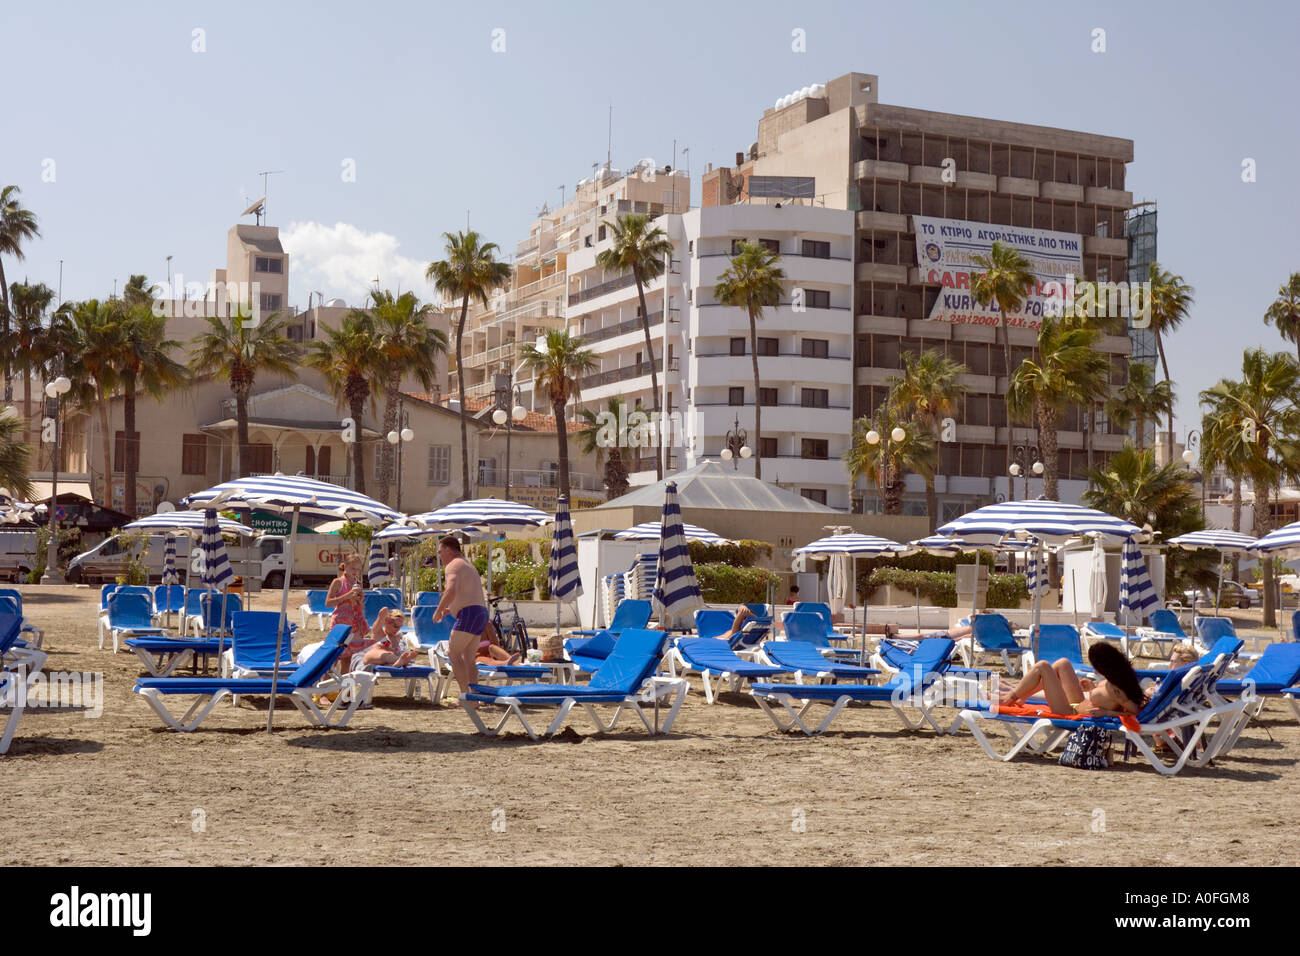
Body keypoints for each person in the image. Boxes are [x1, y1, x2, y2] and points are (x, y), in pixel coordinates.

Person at [998, 642, 1145, 717]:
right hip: (1077, 702)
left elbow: (1135, 713)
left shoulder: (1117, 689)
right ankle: (1022, 696)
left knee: (1042, 666)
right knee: (1063, 663)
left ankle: (1011, 697)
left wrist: (1107, 714)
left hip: (1069, 711)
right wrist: (1092, 689)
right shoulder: (1113, 679)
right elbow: (1106, 700)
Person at [432, 535, 490, 705]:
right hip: (480, 613)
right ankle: (474, 697)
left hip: (470, 614)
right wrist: (452, 608)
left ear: (448, 550)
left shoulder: (453, 565)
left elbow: (451, 590)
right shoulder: (467, 564)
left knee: (453, 653)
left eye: (440, 552)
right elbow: (467, 593)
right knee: (468, 658)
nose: (439, 556)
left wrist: (439, 609)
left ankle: (465, 696)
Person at [325, 555, 368, 670]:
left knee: (347, 660)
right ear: (346, 567)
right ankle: (326, 686)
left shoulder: (357, 583)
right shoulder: (338, 582)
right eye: (353, 568)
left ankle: (344, 688)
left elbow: (361, 607)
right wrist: (347, 596)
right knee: (333, 658)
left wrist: (360, 601)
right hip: (340, 623)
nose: (356, 572)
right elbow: (328, 603)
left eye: (358, 569)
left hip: (353, 624)